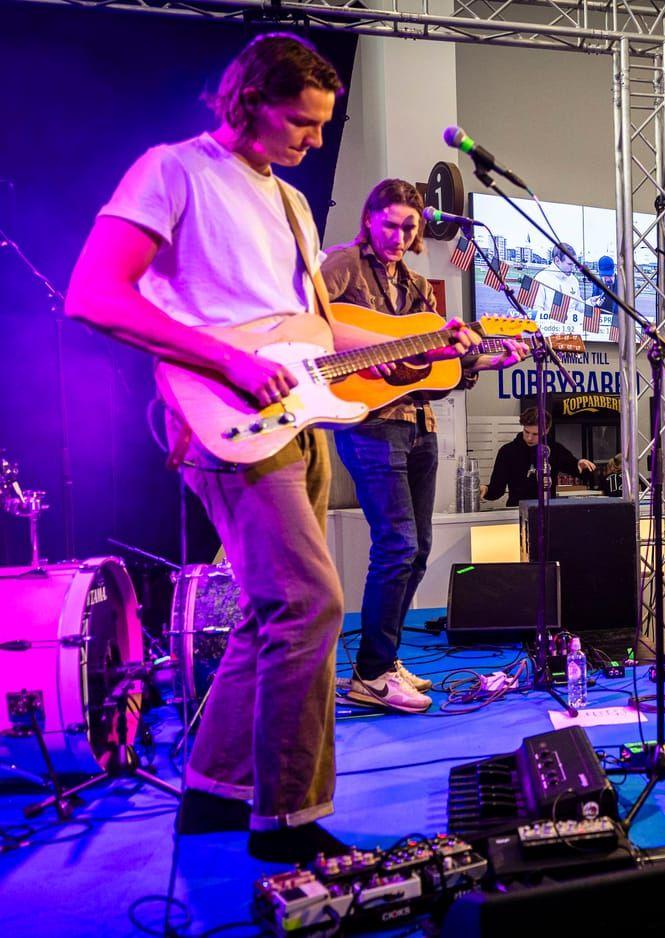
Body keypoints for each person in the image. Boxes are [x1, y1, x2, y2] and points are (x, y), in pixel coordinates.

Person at [64, 34, 476, 864]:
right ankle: (286, 820)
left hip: (303, 416)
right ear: (247, 102)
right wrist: (224, 359)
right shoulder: (172, 170)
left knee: (269, 612)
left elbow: (321, 328)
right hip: (225, 416)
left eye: (324, 126)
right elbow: (93, 294)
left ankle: (216, 793)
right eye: (302, 123)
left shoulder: (288, 201)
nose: (316, 141)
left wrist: (426, 338)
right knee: (310, 605)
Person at [324, 179, 521, 715]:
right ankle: (370, 672)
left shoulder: (415, 285)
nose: (399, 234)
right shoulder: (342, 265)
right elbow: (314, 322)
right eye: (390, 223)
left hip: (419, 422)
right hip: (369, 423)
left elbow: (430, 369)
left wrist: (483, 360)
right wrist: (373, 350)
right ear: (369, 219)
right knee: (396, 546)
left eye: (409, 226)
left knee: (419, 550)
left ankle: (385, 660)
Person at [481, 407, 597, 506]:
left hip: (547, 513)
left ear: (546, 431)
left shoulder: (555, 449)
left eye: (535, 434)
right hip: (517, 512)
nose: (529, 438)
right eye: (526, 432)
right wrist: (485, 490)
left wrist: (581, 466)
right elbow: (497, 489)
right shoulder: (508, 451)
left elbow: (575, 468)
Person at [531, 243, 583, 320]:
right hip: (549, 329)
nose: (573, 268)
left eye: (574, 265)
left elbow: (578, 306)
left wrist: (591, 303)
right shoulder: (541, 278)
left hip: (573, 330)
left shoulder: (573, 280)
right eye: (570, 264)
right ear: (557, 260)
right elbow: (536, 311)